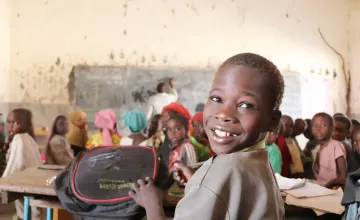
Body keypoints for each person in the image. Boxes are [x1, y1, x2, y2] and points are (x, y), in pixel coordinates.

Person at [129, 53, 285, 220]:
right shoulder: (258, 160)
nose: (223, 114)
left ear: (272, 121)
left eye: (245, 105)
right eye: (217, 98)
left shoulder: (226, 169)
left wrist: (152, 204)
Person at [2, 108, 42, 220]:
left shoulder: (19, 139)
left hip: (25, 183)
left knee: (24, 211)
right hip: (33, 183)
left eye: (16, 123)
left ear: (26, 125)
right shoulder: (29, 138)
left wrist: (3, 182)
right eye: (9, 122)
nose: (11, 126)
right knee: (32, 211)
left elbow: (15, 165)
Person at [312, 112, 347, 182]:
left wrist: (341, 184)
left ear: (332, 128)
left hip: (334, 187)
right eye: (315, 125)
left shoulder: (336, 145)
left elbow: (342, 170)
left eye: (323, 125)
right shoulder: (318, 148)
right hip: (322, 186)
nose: (318, 129)